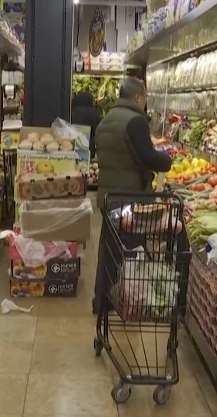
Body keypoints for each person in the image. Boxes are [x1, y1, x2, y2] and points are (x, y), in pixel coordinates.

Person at [91, 77, 173, 314]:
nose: (145, 103)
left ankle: (103, 299)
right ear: (137, 97)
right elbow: (146, 157)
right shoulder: (135, 121)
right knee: (130, 253)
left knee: (109, 250)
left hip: (110, 195)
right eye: (145, 98)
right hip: (129, 198)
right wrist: (166, 160)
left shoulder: (107, 119)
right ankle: (129, 301)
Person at [71, 91, 102, 158]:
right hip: (87, 149)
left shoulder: (71, 111)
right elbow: (98, 129)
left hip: (70, 148)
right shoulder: (92, 114)